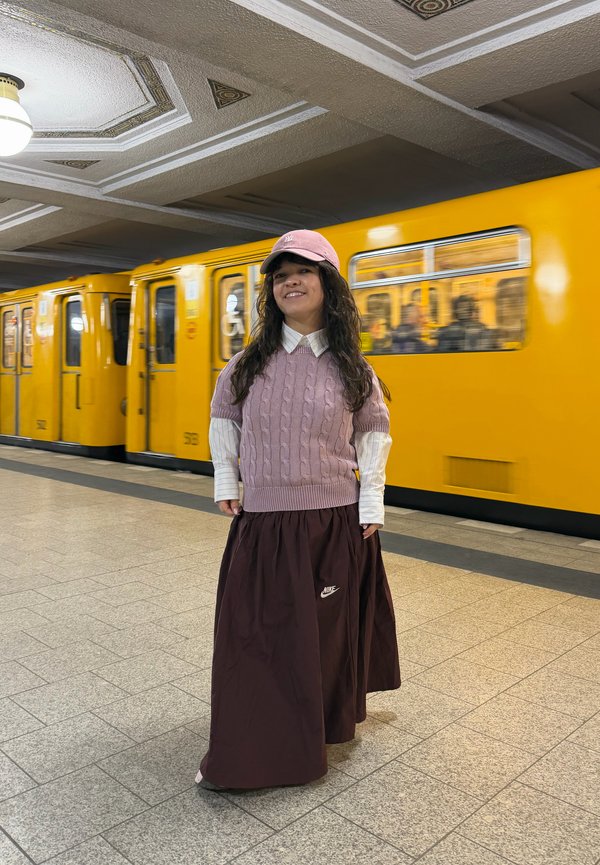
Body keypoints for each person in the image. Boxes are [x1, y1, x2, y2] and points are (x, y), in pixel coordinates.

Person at [195, 229, 401, 791]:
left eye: (304, 271)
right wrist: (227, 479)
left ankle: (321, 725)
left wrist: (372, 501)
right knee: (257, 636)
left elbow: (373, 433)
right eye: (281, 274)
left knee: (324, 639)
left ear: (327, 284)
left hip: (333, 522)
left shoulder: (352, 367)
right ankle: (256, 741)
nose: (291, 280)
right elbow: (225, 424)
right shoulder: (243, 367)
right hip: (263, 524)